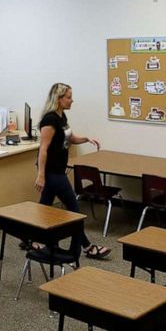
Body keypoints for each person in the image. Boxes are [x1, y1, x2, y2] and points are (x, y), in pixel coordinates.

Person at [33, 83, 111, 259]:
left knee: (44, 207)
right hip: (53, 172)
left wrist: (86, 139)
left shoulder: (61, 117)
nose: (72, 100)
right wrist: (41, 175)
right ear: (59, 99)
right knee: (74, 210)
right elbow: (43, 149)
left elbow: (70, 138)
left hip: (58, 169)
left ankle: (34, 238)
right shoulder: (50, 120)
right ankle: (87, 246)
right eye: (68, 97)